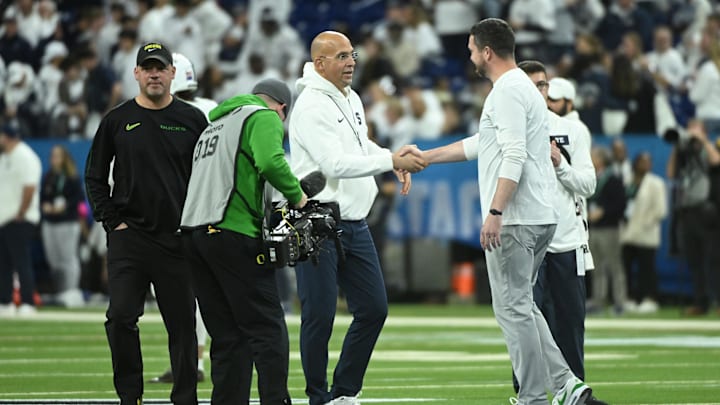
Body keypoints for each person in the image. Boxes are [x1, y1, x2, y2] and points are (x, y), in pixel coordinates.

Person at [418, 19, 592, 405]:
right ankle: (566, 385)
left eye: (471, 49)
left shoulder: (507, 92)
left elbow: (512, 153)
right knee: (523, 308)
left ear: (486, 51)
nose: (469, 56)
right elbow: (484, 143)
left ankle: (533, 397)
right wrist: (428, 157)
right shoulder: (522, 89)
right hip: (538, 214)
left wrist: (495, 210)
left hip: (517, 217)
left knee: (512, 311)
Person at [288, 31, 427, 405]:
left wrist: (387, 156)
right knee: (319, 317)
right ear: (320, 64)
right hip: (316, 221)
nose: (352, 62)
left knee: (374, 309)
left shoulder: (349, 98)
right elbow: (333, 163)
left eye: (352, 54)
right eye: (342, 56)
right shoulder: (311, 105)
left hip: (354, 222)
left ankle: (345, 392)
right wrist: (390, 161)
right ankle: (319, 397)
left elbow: (358, 144)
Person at [84, 42, 207, 405]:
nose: (154, 74)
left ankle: (185, 398)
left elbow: (208, 176)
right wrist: (112, 222)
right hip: (130, 238)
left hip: (178, 239)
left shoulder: (194, 120)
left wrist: (197, 226)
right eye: (147, 67)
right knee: (120, 316)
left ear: (172, 73)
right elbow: (94, 176)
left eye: (160, 67)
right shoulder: (116, 120)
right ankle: (130, 396)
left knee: (183, 325)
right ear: (136, 73)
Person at [180, 78, 304, 405]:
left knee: (226, 336)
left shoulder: (216, 124)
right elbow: (270, 162)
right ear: (282, 108)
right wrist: (299, 197)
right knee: (267, 328)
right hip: (231, 230)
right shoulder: (262, 117)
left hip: (194, 235)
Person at [516, 61, 606, 405]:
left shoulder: (572, 130)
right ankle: (528, 394)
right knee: (525, 321)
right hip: (526, 240)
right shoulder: (506, 129)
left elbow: (588, 183)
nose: (539, 92)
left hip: (566, 240)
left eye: (543, 86)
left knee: (569, 323)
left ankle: (574, 392)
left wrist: (560, 165)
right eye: (532, 85)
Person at [149, 51, 216, 385]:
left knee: (183, 291)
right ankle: (198, 359)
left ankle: (192, 361)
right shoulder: (212, 109)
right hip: (210, 210)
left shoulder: (180, 113)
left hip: (183, 212)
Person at [0, 121, 42, 317]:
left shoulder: (26, 156)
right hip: (4, 218)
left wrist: (21, 212)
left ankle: (27, 302)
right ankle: (5, 301)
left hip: (20, 219)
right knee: (4, 263)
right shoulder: (5, 157)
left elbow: (29, 187)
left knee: (21, 261)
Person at [620, 152, 667, 313]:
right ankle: (631, 298)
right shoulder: (628, 181)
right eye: (642, 161)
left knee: (647, 267)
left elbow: (661, 210)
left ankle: (650, 298)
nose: (645, 165)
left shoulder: (656, 183)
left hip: (646, 233)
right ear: (636, 163)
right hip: (628, 233)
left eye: (648, 161)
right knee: (626, 267)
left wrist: (645, 223)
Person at [40, 144, 85, 308]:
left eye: (57, 156)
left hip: (68, 222)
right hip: (50, 222)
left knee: (68, 258)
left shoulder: (72, 177)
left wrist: (64, 207)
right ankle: (61, 291)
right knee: (54, 260)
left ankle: (71, 291)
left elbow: (79, 201)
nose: (54, 159)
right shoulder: (48, 176)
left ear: (64, 158)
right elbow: (43, 197)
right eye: (52, 156)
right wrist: (45, 206)